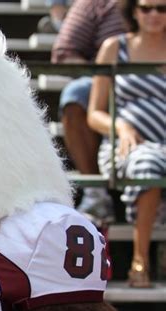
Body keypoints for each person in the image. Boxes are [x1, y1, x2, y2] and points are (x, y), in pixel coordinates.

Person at [87, 0, 166, 287]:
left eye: (162, 8)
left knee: (154, 159)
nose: (154, 14)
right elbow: (93, 113)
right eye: (147, 8)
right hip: (125, 147)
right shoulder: (113, 47)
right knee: (148, 162)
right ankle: (139, 261)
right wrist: (121, 126)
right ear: (134, 11)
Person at [51, 0, 126, 225]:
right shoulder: (95, 4)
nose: (153, 13)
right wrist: (105, 80)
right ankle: (96, 194)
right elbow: (64, 52)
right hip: (106, 85)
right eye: (146, 8)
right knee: (76, 94)